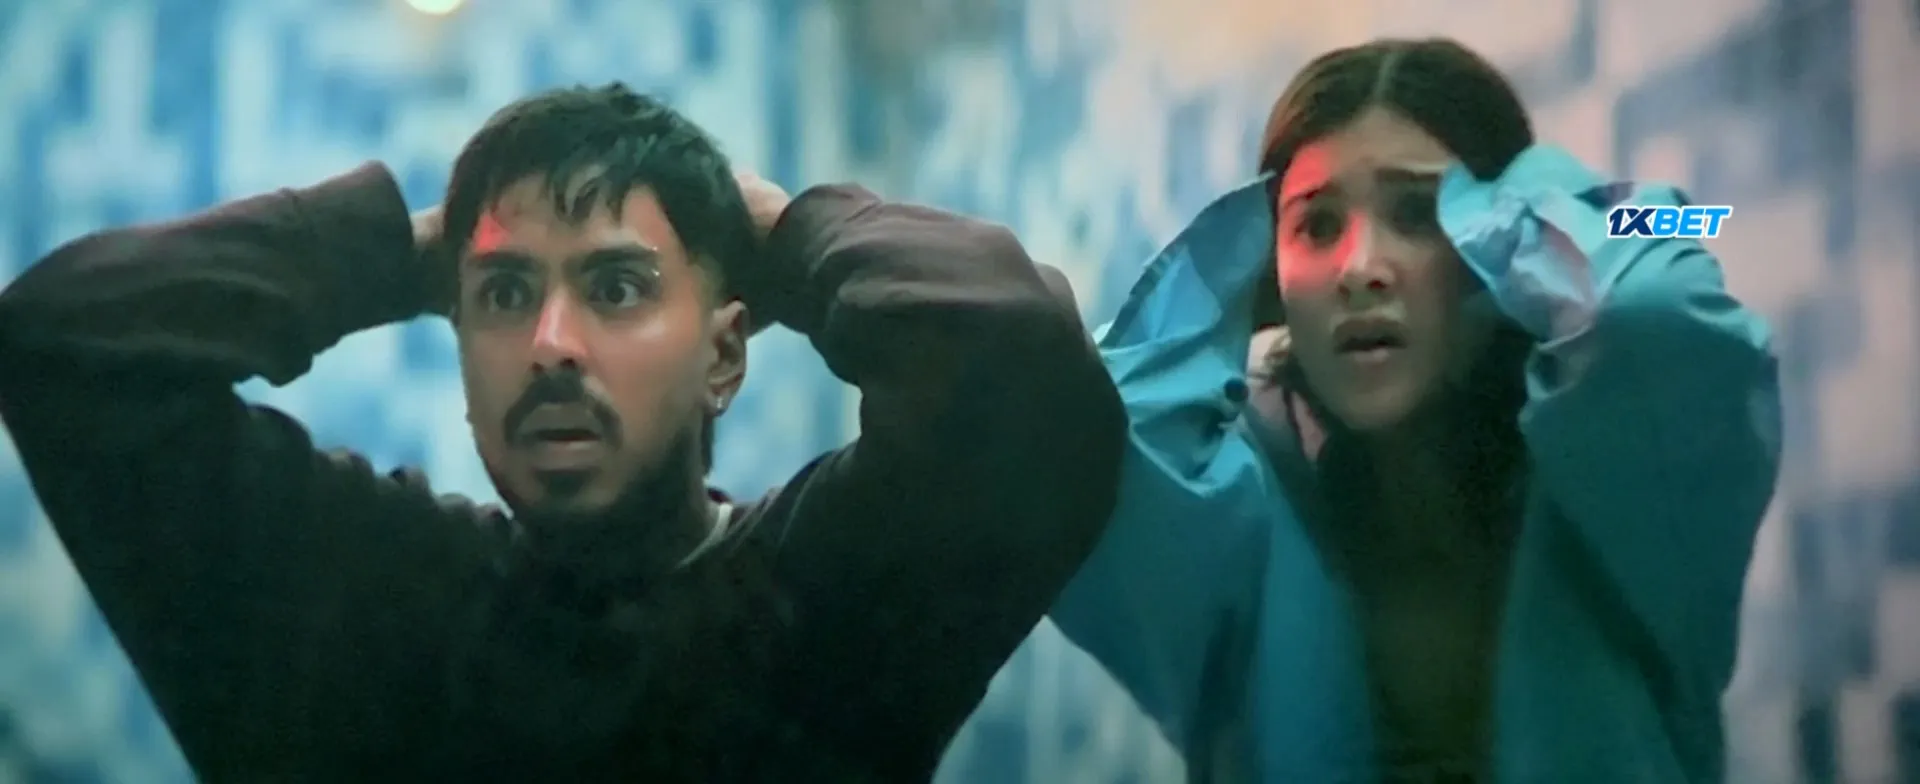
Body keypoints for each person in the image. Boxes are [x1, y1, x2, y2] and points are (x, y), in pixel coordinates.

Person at [0, 83, 1125, 781]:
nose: (549, 343)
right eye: (502, 295)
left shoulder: (830, 604)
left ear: (725, 356)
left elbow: (1018, 358)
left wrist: (780, 228)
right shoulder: (355, 601)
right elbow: (60, 341)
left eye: (617, 288)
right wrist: (401, 247)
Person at [1049, 38, 1782, 783]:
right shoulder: (1247, 528)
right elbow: (1091, 435)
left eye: (1419, 212)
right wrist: (1221, 276)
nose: (1360, 268)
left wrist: (1542, 220)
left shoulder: (1630, 485)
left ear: (1496, 247)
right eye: (1317, 227)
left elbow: (1693, 235)